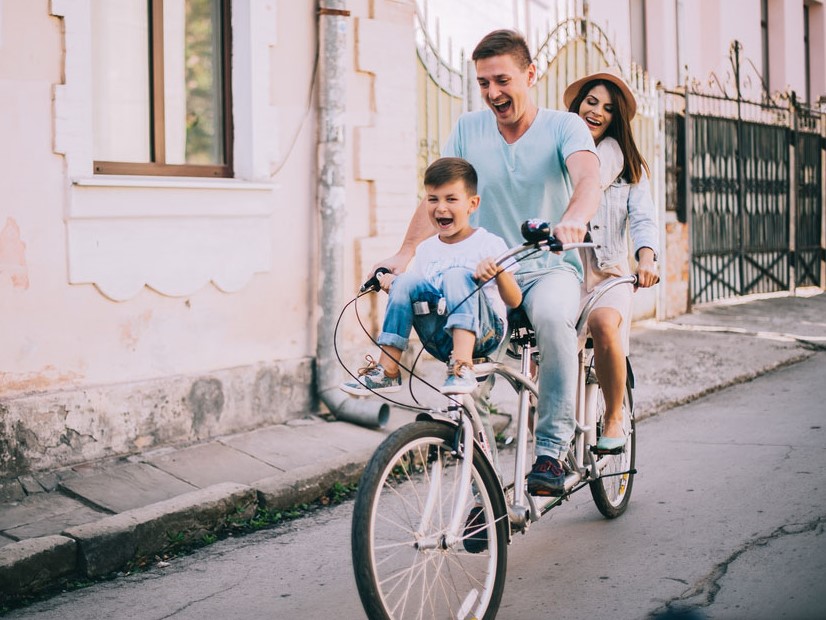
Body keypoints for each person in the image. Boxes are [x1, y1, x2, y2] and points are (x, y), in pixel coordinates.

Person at [373, 30, 602, 497]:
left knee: (555, 322)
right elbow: (439, 199)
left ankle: (551, 451)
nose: (493, 93)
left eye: (503, 79)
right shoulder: (468, 129)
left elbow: (588, 179)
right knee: (467, 376)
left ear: (530, 75)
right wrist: (405, 252)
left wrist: (573, 220)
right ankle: (481, 492)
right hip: (482, 276)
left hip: (545, 267)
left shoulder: (565, 126)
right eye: (483, 83)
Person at [341, 157, 522, 396]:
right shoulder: (426, 249)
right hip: (440, 337)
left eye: (451, 199)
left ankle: (462, 365)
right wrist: (395, 287)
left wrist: (498, 274)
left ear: (472, 204)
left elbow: (515, 300)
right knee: (404, 281)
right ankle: (388, 370)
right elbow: (419, 293)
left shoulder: (488, 244)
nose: (441, 208)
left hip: (484, 334)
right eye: (433, 199)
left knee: (456, 276)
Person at [563, 68, 660, 450]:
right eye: (591, 102)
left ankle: (614, 417)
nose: (597, 112)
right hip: (564, 273)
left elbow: (643, 219)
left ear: (615, 118)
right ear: (577, 105)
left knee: (604, 324)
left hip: (609, 275)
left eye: (607, 108)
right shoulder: (557, 154)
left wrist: (647, 259)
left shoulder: (629, 169)